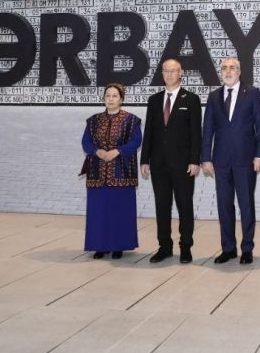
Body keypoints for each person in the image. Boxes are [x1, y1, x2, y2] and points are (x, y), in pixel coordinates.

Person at [201, 57, 260, 265]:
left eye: (232, 68)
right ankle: (228, 248)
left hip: (246, 160)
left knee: (246, 205)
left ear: (239, 71)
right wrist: (206, 157)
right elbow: (208, 129)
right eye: (224, 68)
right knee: (224, 206)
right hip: (220, 161)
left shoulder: (252, 93)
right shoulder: (214, 96)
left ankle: (247, 249)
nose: (228, 71)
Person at [140, 58, 203, 264]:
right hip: (158, 164)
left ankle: (185, 247)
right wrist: (144, 159)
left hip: (183, 164)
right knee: (162, 206)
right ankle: (164, 247)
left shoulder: (191, 99)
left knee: (184, 206)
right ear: (162, 74)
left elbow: (196, 133)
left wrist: (195, 160)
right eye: (166, 71)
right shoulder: (154, 100)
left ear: (180, 73)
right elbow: (149, 131)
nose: (169, 74)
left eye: (173, 71)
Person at [81, 83, 142, 259]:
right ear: (103, 99)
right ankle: (99, 246)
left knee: (120, 210)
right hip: (97, 172)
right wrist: (96, 151)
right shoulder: (93, 121)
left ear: (121, 99)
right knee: (98, 211)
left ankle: (118, 246)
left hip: (122, 172)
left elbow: (136, 141)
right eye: (108, 95)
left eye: (115, 96)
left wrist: (118, 151)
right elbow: (86, 142)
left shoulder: (131, 120)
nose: (111, 99)